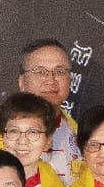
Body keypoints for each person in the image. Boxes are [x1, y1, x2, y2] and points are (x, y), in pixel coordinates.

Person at [15, 39, 80, 178]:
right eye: (40, 72)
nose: (51, 80)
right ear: (21, 82)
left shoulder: (82, 135)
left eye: (60, 71)